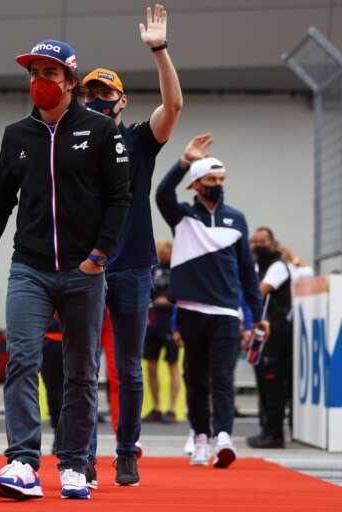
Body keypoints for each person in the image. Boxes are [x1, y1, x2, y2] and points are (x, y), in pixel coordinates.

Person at [0, 39, 130, 500]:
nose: (40, 82)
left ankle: (74, 464)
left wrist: (99, 256)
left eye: (50, 74)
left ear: (70, 82)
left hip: (85, 271)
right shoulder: (17, 135)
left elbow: (120, 199)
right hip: (30, 268)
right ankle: (22, 462)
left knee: (80, 370)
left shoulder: (101, 130)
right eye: (34, 73)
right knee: (22, 360)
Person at [79, 3, 183, 486]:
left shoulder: (139, 140)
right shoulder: (73, 144)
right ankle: (81, 457)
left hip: (135, 266)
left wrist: (159, 51)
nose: (98, 100)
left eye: (106, 94)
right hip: (87, 267)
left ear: (122, 101)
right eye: (90, 94)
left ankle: (126, 451)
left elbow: (173, 107)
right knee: (83, 368)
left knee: (128, 369)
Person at [155, 133, 268, 469]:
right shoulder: (182, 216)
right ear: (195, 185)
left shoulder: (237, 219)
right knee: (196, 378)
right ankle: (201, 438)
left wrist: (256, 316)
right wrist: (183, 162)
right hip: (190, 311)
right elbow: (161, 194)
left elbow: (247, 271)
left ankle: (224, 438)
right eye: (210, 180)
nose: (217, 185)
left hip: (226, 313)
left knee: (222, 377)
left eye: (221, 180)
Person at [247, 227, 293, 448]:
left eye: (262, 241)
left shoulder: (277, 266)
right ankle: (266, 430)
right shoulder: (259, 266)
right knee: (263, 383)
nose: (258, 245)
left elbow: (260, 291)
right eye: (254, 241)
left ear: (273, 243)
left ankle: (275, 434)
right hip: (262, 333)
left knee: (273, 383)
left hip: (276, 333)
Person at [142, 240, 181, 424]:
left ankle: (171, 408)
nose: (162, 255)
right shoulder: (152, 269)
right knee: (150, 366)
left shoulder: (178, 270)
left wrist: (168, 301)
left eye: (165, 252)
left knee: (173, 365)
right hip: (152, 323)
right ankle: (156, 407)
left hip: (170, 324)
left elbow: (183, 295)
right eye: (160, 252)